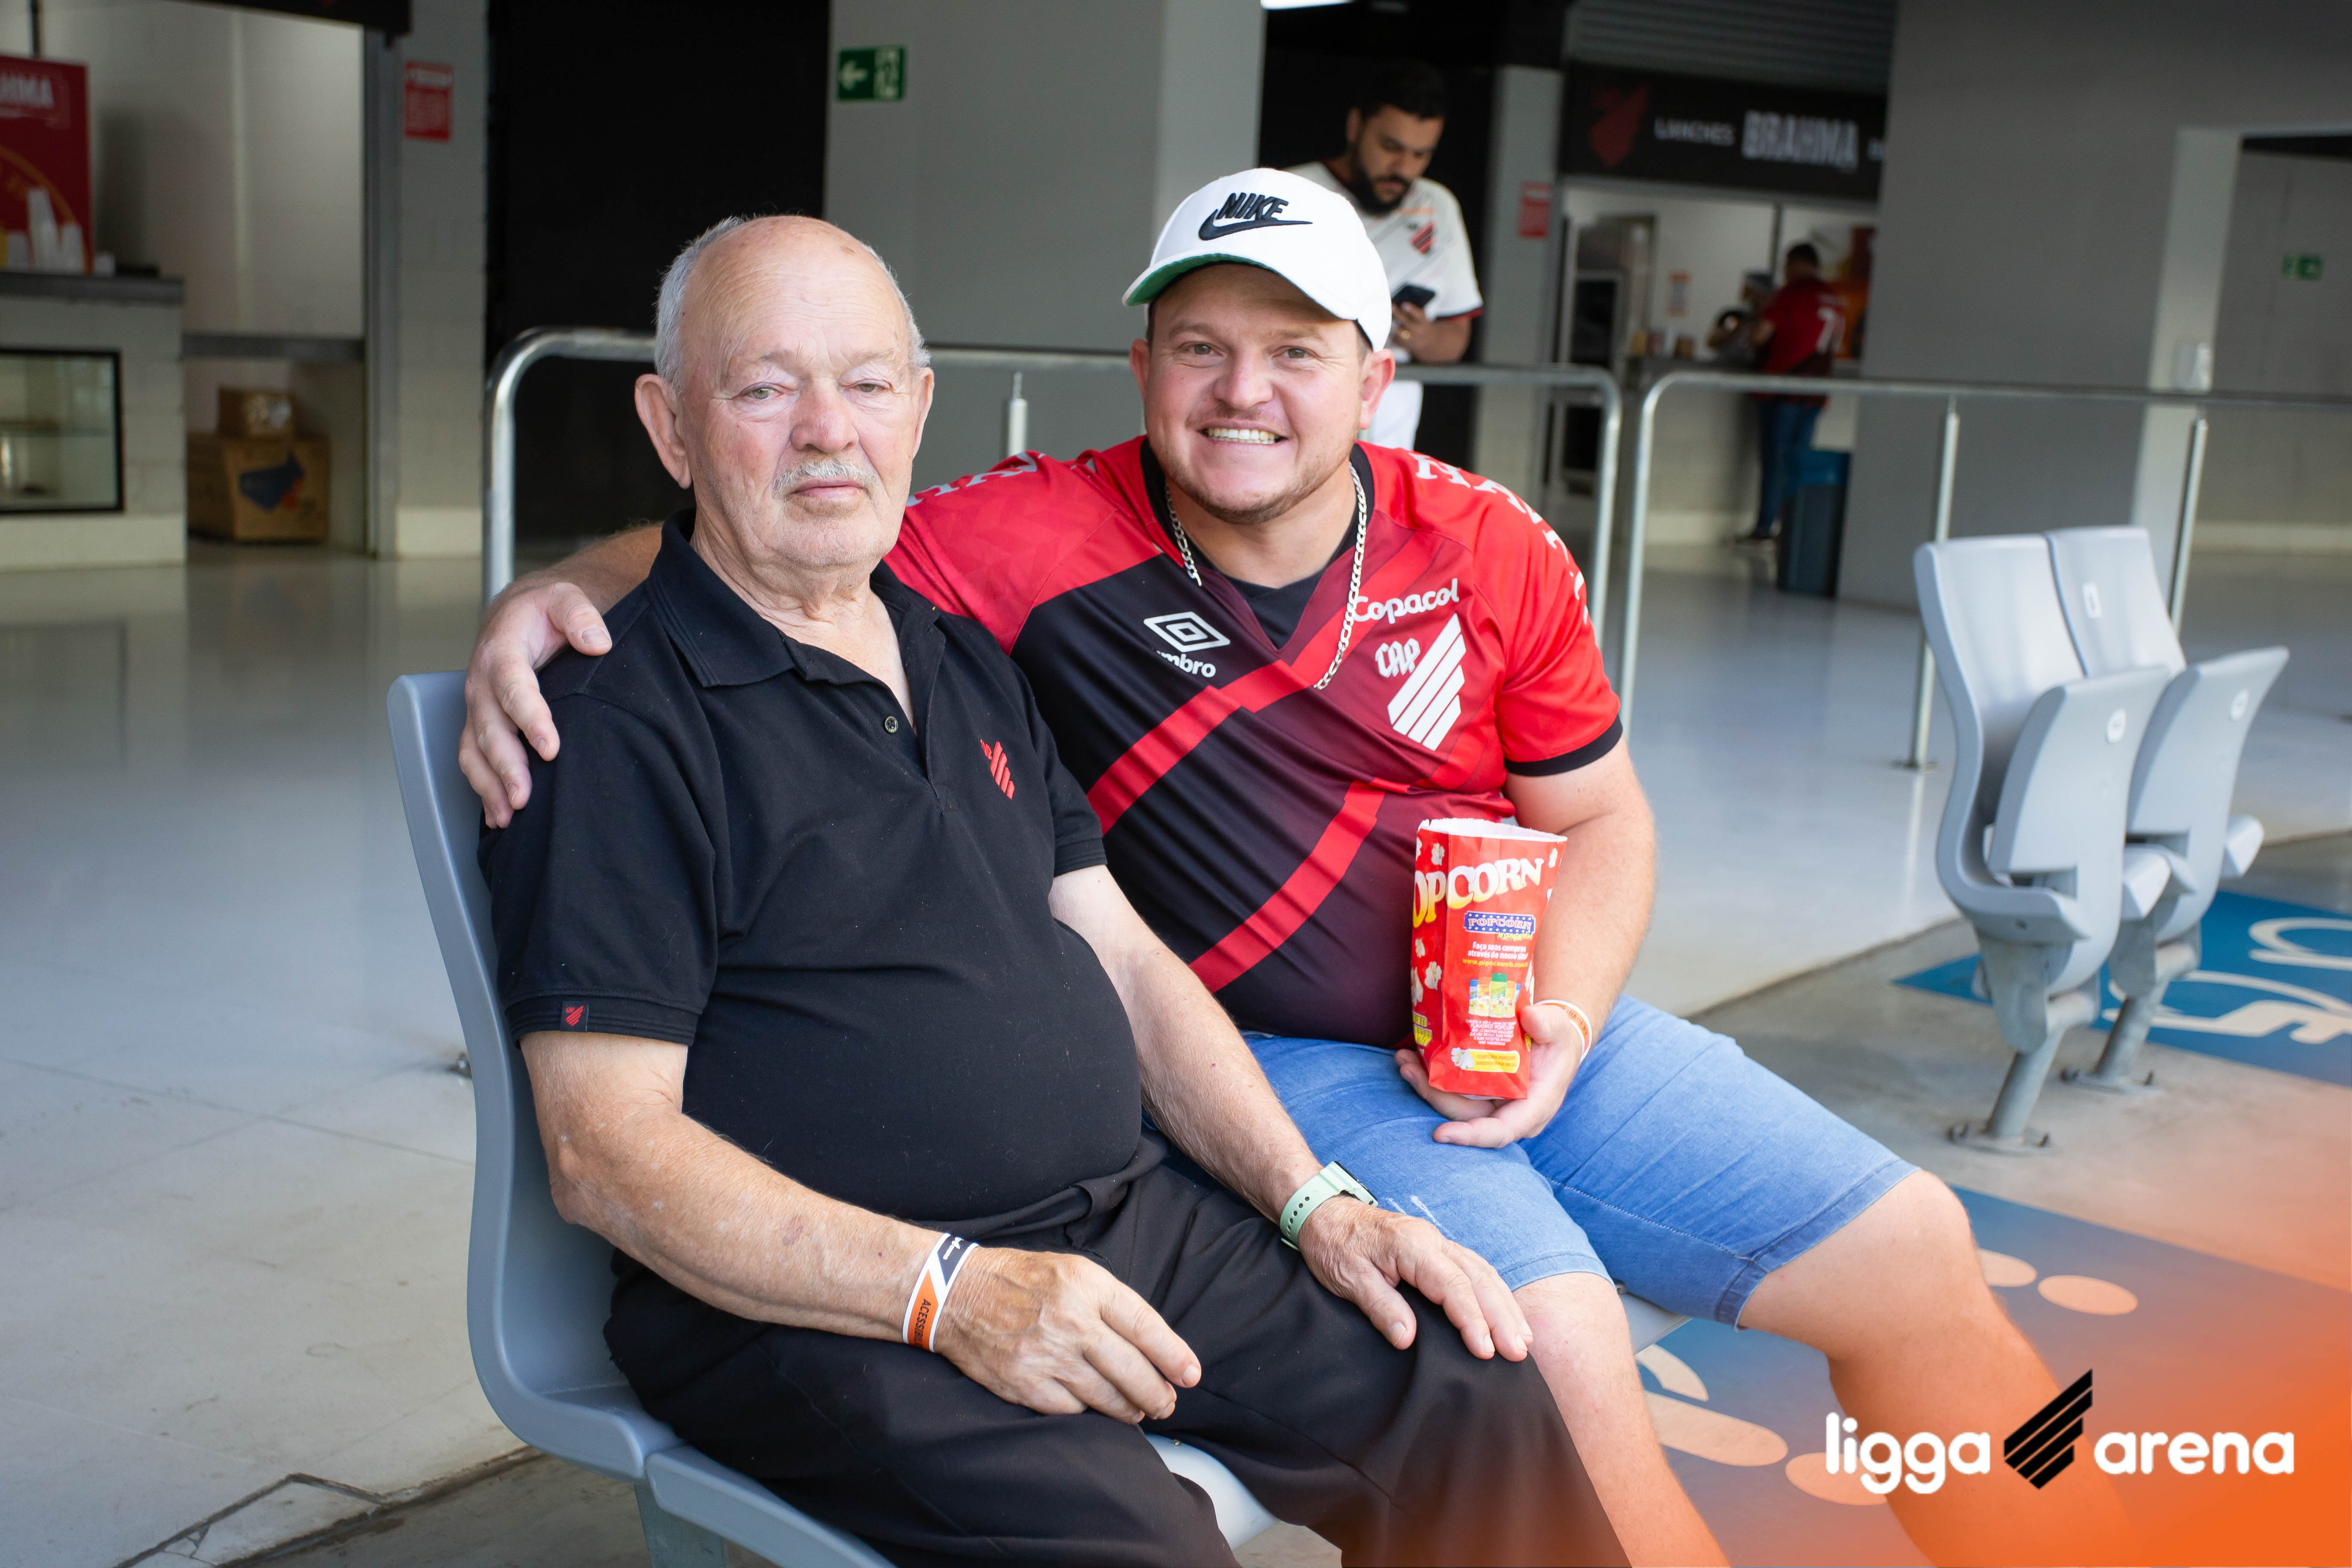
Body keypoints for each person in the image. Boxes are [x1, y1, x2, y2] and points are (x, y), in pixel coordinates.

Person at [462, 172, 2134, 1568]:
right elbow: (753, 544)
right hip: (1262, 1077)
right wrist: (550, 596)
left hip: (1493, 1040)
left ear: (1378, 374)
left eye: (1294, 350)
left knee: (1913, 1242)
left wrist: (1546, 1028)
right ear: (1141, 368)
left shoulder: (1473, 542)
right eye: (1199, 346)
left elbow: (1590, 822)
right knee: (1544, 1341)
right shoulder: (1010, 552)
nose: (1240, 391)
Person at [475, 212, 1623, 1568]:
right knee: (1146, 1550)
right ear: (672, 429)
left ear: (919, 410)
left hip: (1113, 1216)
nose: (828, 431)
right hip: (818, 1303)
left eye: (866, 383)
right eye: (765, 389)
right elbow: (604, 1154)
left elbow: (1125, 960)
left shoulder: (961, 658)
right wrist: (947, 1292)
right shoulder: (612, 719)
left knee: (1473, 1393)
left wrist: (1319, 1206)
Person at [1288, 60, 1478, 451]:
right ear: (1355, 126)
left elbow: (1456, 338)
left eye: (1420, 155)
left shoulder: (1438, 206)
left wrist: (1423, 338)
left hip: (1389, 443)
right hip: (1297, 415)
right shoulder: (1290, 190)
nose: (1403, 169)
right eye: (1390, 147)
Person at [1737, 242, 1845, 545]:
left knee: (1776, 462)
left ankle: (1766, 527)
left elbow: (1760, 336)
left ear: (1797, 264)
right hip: (1814, 393)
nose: (1785, 272)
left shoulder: (1791, 295)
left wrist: (1750, 327)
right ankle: (1793, 528)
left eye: (1787, 266)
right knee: (1799, 461)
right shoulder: (1834, 299)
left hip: (1782, 391)